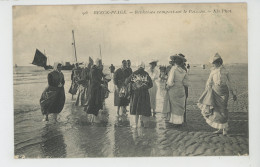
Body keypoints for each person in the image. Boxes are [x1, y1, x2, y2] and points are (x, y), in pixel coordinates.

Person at [197, 53, 237, 135]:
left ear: (219, 62)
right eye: (213, 63)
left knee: (223, 109)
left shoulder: (226, 71)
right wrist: (207, 89)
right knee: (216, 110)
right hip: (215, 91)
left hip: (224, 92)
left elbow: (231, 82)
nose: (213, 64)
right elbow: (209, 81)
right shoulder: (213, 71)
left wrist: (234, 93)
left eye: (214, 63)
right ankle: (220, 128)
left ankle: (225, 128)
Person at [162, 55, 189, 126]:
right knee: (180, 106)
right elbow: (186, 82)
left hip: (174, 89)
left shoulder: (173, 69)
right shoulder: (183, 70)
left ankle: (175, 122)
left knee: (174, 106)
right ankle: (180, 121)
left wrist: (167, 87)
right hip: (181, 89)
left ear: (175, 62)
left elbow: (170, 81)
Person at [125, 62, 153, 128]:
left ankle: (136, 124)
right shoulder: (146, 74)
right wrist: (145, 86)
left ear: (137, 66)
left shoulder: (134, 73)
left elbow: (126, 82)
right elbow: (151, 84)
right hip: (144, 94)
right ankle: (144, 124)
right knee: (144, 108)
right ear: (143, 67)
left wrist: (133, 85)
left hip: (136, 94)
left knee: (136, 109)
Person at [84, 58, 105, 122]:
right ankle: (94, 119)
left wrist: (103, 81)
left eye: (101, 63)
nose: (101, 64)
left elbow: (98, 78)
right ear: (97, 63)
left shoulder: (96, 70)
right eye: (100, 63)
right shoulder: (94, 70)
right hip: (94, 89)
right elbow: (94, 80)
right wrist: (101, 84)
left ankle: (93, 119)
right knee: (94, 103)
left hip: (96, 88)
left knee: (95, 103)